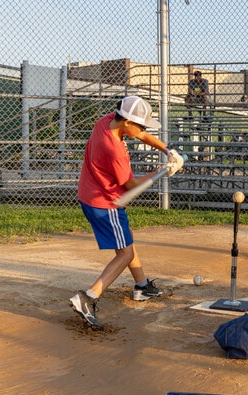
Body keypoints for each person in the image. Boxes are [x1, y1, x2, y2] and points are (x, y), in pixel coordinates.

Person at [70, 95, 184, 329]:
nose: (143, 130)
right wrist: (162, 171)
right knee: (125, 255)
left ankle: (142, 286)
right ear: (127, 123)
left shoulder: (107, 121)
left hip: (92, 194)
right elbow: (130, 186)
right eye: (140, 125)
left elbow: (140, 133)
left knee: (127, 240)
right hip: (105, 203)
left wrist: (168, 150)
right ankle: (88, 297)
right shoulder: (114, 151)